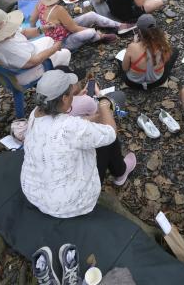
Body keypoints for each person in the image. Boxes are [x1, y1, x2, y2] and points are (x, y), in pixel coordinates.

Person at [20, 70, 137, 219]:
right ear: (64, 98)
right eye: (71, 94)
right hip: (69, 204)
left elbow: (73, 126)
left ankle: (120, 171)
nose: (73, 97)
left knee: (95, 136)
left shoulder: (35, 113)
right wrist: (104, 104)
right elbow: (110, 133)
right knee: (106, 142)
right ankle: (120, 172)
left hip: (33, 191)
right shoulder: (69, 127)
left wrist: (96, 117)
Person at [29, 0, 134, 51]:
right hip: (62, 42)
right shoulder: (58, 10)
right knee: (90, 33)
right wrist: (94, 31)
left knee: (91, 15)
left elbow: (32, 21)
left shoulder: (40, 3)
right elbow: (74, 29)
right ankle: (101, 37)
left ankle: (119, 25)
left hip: (59, 32)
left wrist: (42, 33)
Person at [0, 9, 71, 86]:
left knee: (48, 40)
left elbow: (23, 32)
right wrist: (54, 49)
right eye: (7, 29)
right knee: (65, 53)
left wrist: (42, 29)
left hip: (25, 55)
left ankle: (55, 71)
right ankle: (58, 84)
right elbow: (34, 61)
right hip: (22, 73)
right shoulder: (6, 48)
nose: (12, 30)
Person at [120, 14, 178, 90]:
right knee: (174, 51)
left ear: (139, 31)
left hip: (133, 83)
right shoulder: (164, 44)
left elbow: (125, 68)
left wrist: (135, 44)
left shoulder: (133, 47)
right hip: (158, 81)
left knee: (121, 58)